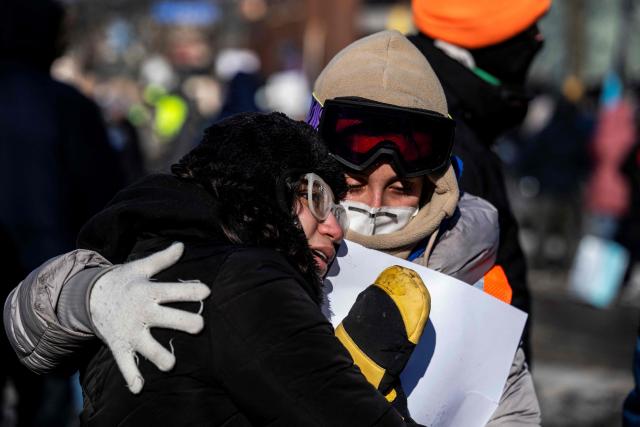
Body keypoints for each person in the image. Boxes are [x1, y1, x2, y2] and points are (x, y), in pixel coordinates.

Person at [4, 31, 538, 425]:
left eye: (400, 188)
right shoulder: (241, 234)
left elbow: (510, 409)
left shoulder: (469, 278)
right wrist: (89, 295)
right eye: (349, 185)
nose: (374, 207)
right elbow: (25, 323)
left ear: (433, 186)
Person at [78, 111, 432, 425]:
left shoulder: (161, 260)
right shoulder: (248, 284)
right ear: (265, 187)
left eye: (339, 212)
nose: (336, 230)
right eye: (319, 199)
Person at [0, 0, 126, 424]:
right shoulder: (69, 107)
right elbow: (109, 203)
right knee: (47, 409)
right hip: (51, 290)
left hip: (45, 280)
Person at [408, 0, 552, 359]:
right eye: (527, 25)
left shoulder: (458, 112)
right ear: (481, 31)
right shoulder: (444, 134)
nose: (539, 38)